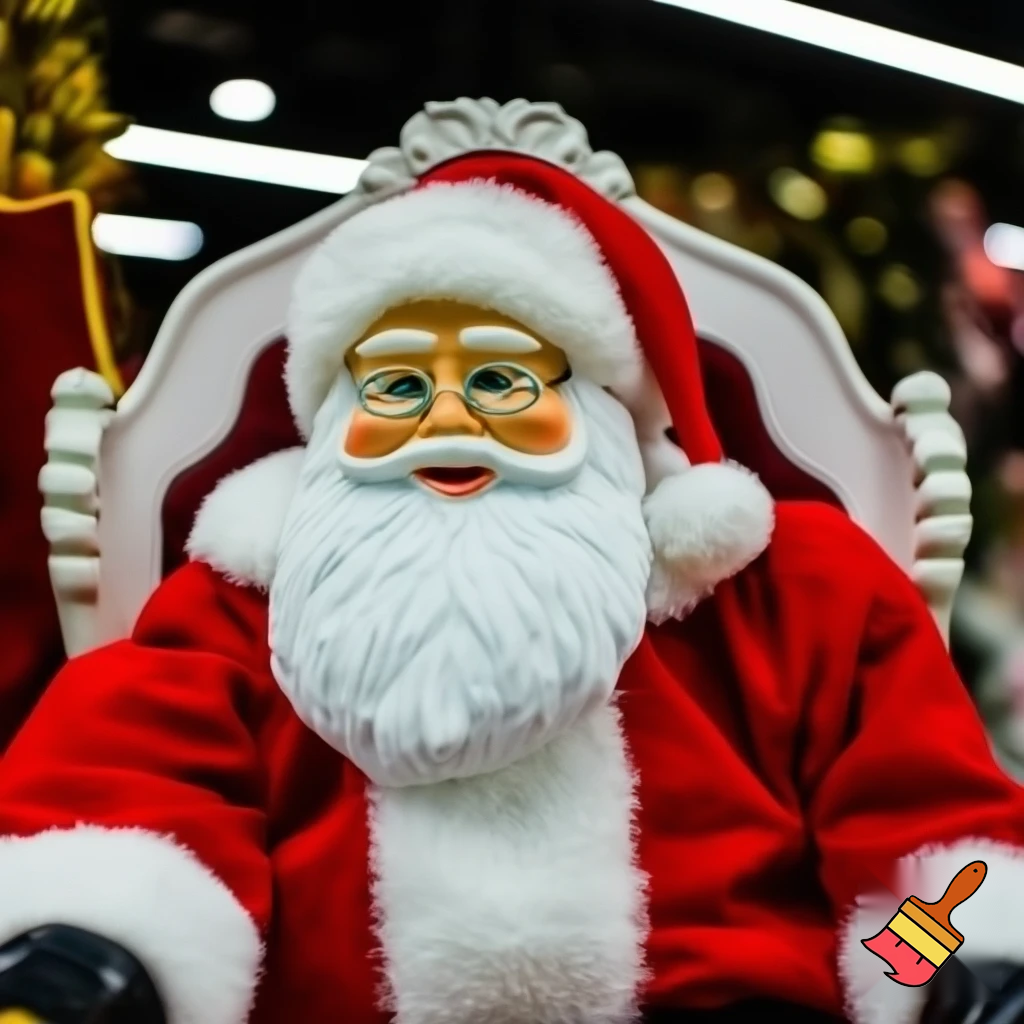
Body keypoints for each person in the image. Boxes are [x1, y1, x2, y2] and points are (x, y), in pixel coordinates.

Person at [0, 151, 1022, 1024]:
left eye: (498, 380)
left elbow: (919, 839)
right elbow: (132, 802)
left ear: (604, 404)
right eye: (396, 386)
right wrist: (102, 951)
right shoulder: (239, 602)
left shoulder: (790, 587)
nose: (447, 420)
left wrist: (936, 976)